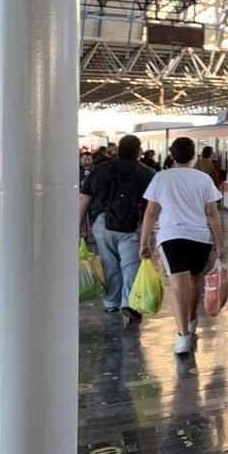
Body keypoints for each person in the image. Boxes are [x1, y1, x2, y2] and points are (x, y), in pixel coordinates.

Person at [140, 137, 225, 355]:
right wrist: (219, 242)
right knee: (195, 279)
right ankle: (191, 320)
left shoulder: (161, 178)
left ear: (171, 154)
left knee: (178, 285)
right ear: (194, 155)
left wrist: (144, 241)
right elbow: (212, 213)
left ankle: (183, 336)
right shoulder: (204, 179)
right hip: (200, 237)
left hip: (171, 237)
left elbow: (151, 212)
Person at [78, 134, 156, 324]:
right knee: (130, 265)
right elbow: (152, 207)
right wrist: (148, 233)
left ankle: (111, 302)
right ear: (138, 151)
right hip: (132, 224)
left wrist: (78, 226)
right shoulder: (146, 172)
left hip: (103, 223)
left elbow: (84, 199)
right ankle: (129, 302)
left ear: (118, 149)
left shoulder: (101, 169)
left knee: (109, 263)